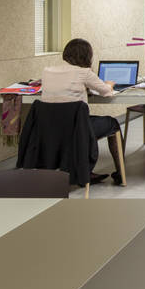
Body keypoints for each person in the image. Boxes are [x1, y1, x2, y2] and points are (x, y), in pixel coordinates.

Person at [40, 38, 124, 185]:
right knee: (113, 123)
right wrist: (109, 84)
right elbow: (106, 92)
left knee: (82, 120)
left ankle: (86, 172)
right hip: (78, 130)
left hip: (51, 130)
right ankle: (120, 173)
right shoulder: (84, 72)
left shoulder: (47, 71)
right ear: (87, 56)